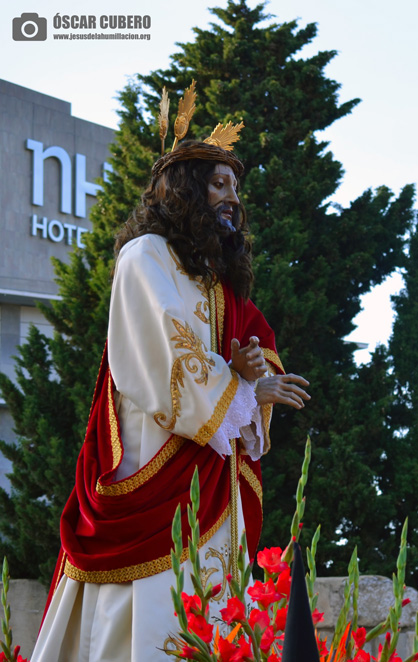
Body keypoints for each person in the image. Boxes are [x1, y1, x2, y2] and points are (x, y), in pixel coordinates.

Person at [32, 136, 310, 661]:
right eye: (220, 184)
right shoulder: (146, 255)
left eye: (236, 186)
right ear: (185, 189)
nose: (233, 198)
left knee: (206, 610)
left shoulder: (219, 282)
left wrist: (252, 381)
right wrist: (240, 391)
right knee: (142, 612)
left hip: (208, 472)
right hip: (155, 460)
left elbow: (248, 347)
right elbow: (166, 355)